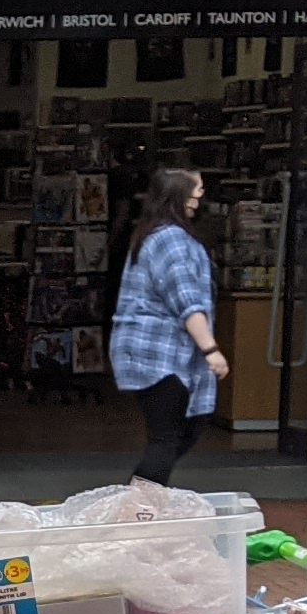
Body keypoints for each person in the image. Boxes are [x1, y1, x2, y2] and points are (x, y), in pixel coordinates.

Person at [109, 165, 224, 482]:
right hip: (159, 354)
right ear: (178, 195)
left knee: (183, 428)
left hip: (158, 354)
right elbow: (185, 298)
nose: (199, 198)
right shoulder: (171, 240)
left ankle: (139, 503)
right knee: (168, 437)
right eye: (195, 191)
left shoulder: (156, 235)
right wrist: (211, 349)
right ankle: (137, 510)